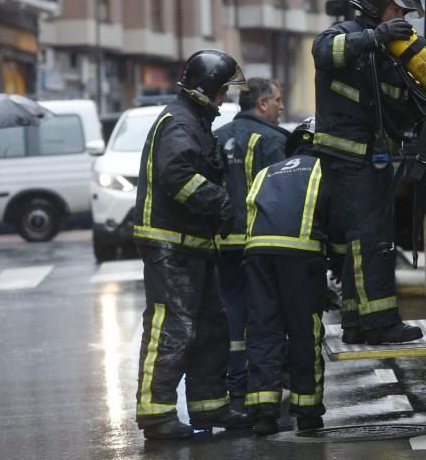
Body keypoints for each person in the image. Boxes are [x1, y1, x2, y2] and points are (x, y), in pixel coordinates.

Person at [131, 49, 252, 440]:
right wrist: (218, 203)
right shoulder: (180, 123)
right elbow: (177, 174)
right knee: (174, 327)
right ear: (206, 90)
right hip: (171, 246)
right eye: (221, 92)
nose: (224, 100)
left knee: (210, 327)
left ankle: (208, 403)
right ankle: (156, 414)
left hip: (193, 244)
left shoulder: (193, 120)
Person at [311, 0, 424, 345]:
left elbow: (397, 107)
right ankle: (379, 324)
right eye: (397, 9)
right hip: (347, 156)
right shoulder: (341, 35)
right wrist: (375, 38)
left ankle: (359, 322)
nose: (402, 19)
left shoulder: (386, 55)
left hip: (372, 159)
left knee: (371, 238)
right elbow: (324, 54)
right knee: (370, 238)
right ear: (376, 7)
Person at [243, 118, 337, 435]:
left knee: (263, 331)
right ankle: (307, 413)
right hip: (300, 256)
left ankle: (263, 414)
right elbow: (335, 221)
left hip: (257, 253)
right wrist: (340, 262)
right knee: (303, 331)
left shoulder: (267, 172)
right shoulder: (326, 170)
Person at [213, 78, 289, 411]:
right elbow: (283, 195)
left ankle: (234, 381)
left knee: (232, 310)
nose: (281, 106)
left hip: (223, 243)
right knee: (263, 314)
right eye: (277, 100)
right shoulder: (273, 140)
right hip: (260, 243)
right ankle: (261, 382)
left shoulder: (217, 138)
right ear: (261, 104)